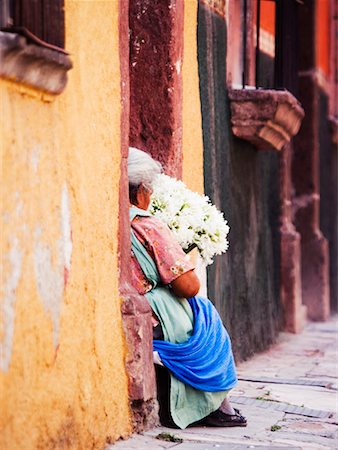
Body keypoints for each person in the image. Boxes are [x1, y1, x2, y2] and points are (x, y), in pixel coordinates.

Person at [128, 147, 247, 429]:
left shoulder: (110, 219)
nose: (151, 195)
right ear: (140, 189)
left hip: (132, 301)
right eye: (150, 188)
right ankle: (217, 405)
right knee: (205, 313)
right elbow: (188, 286)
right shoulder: (147, 225)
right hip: (155, 309)